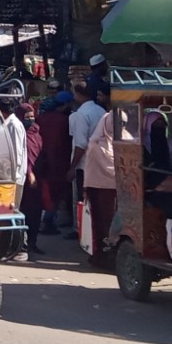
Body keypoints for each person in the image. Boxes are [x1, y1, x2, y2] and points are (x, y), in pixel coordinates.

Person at [85, 110, 128, 270]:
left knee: (118, 225)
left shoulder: (127, 139)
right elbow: (95, 170)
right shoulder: (97, 143)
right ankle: (103, 257)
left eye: (123, 124)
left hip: (121, 191)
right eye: (117, 123)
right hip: (100, 190)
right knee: (103, 225)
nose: (120, 127)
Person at [66, 83, 105, 239]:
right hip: (100, 162)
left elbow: (80, 144)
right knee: (95, 199)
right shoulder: (100, 111)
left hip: (84, 164)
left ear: (78, 94)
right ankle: (93, 230)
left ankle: (81, 231)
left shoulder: (81, 114)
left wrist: (72, 168)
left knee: (81, 199)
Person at [38, 91, 74, 235]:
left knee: (46, 192)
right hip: (60, 162)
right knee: (57, 193)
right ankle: (48, 221)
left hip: (43, 161)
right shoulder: (65, 120)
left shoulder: (41, 118)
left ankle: (47, 220)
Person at [17, 103, 46, 257]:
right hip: (26, 179)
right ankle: (22, 245)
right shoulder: (20, 134)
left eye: (32, 116)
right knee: (24, 212)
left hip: (38, 178)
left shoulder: (36, 133)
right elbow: (23, 156)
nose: (30, 119)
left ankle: (32, 243)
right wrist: (29, 173)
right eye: (27, 117)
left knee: (35, 212)